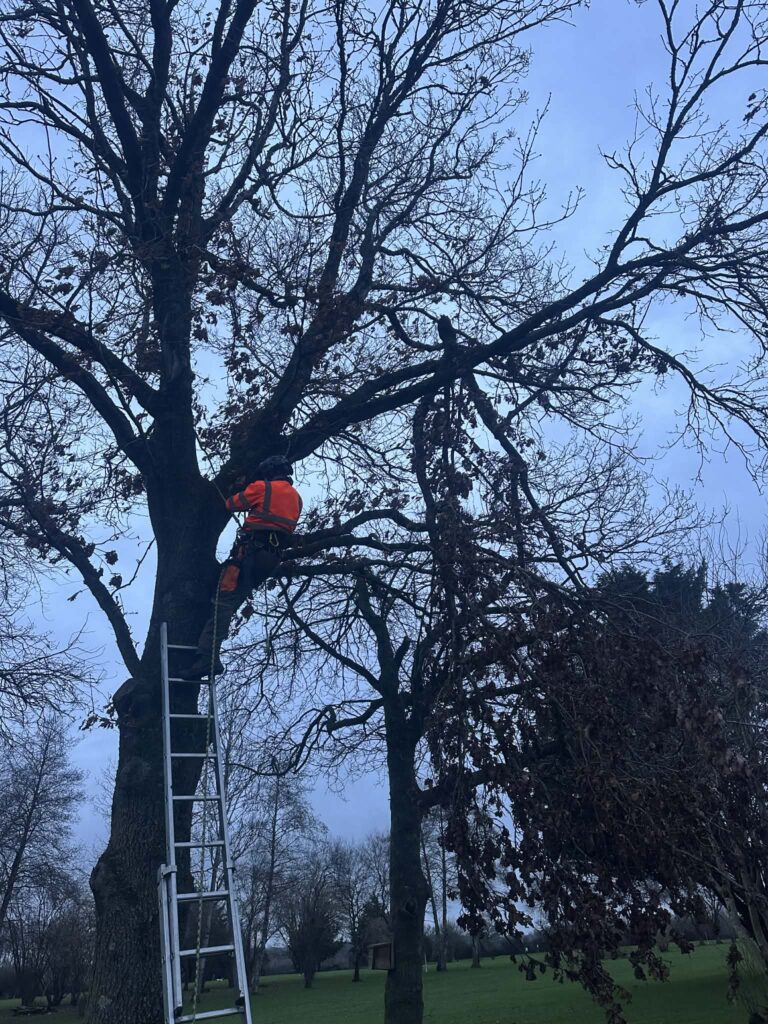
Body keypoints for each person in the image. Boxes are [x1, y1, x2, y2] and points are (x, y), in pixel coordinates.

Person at [180, 456, 302, 679]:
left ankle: (208, 657)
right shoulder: (297, 499)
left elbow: (232, 503)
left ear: (267, 473)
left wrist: (242, 487)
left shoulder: (261, 488)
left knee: (223, 601)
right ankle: (209, 650)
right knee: (234, 597)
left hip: (251, 553)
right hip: (271, 559)